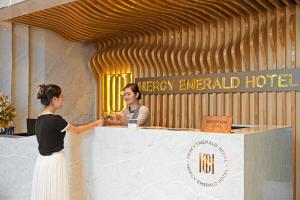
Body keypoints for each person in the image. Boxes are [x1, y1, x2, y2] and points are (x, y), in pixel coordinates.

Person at [31, 84, 103, 200]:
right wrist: (96, 123)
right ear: (54, 99)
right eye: (61, 97)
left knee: (45, 193)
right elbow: (77, 131)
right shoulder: (55, 119)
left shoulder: (39, 119)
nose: (63, 99)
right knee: (56, 193)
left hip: (42, 162)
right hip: (55, 161)